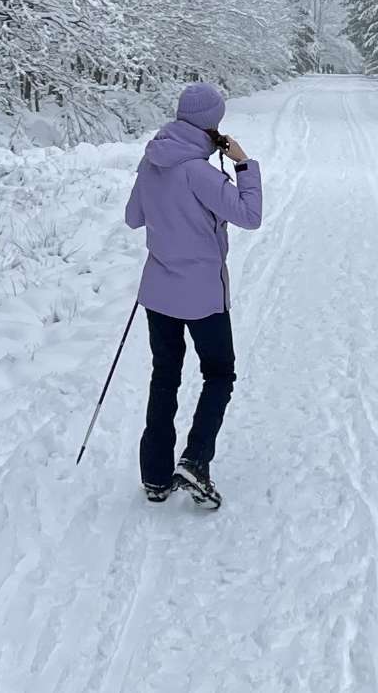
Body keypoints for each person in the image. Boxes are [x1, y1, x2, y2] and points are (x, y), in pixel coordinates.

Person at [122, 82, 262, 508]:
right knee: (219, 375)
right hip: (203, 296)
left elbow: (133, 218)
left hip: (159, 293)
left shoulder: (153, 161)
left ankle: (155, 476)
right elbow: (249, 216)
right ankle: (196, 460)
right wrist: (244, 165)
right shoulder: (201, 172)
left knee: (164, 376)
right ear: (212, 123)